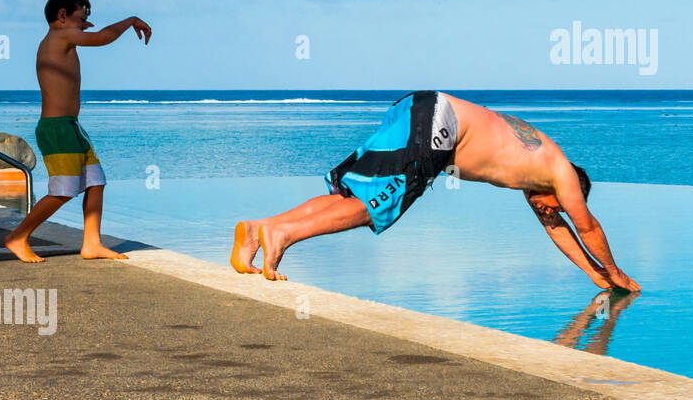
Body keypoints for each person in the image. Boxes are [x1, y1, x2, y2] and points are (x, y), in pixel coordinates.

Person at [230, 90, 640, 291]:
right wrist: (617, 272)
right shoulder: (561, 170)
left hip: (419, 107)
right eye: (560, 208)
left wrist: (593, 274)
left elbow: (557, 231)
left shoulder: (535, 173)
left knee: (354, 193)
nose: (553, 213)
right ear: (570, 192)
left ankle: (258, 229)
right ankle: (285, 236)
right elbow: (585, 228)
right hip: (438, 122)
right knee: (379, 205)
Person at [3, 0, 152, 264]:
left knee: (96, 182)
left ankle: (92, 243)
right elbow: (102, 38)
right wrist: (131, 20)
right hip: (57, 128)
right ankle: (18, 236)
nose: (84, 25)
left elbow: (87, 32)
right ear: (62, 15)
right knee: (62, 191)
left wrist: (80, 22)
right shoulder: (62, 35)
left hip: (72, 127)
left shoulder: (62, 35)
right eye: (81, 19)